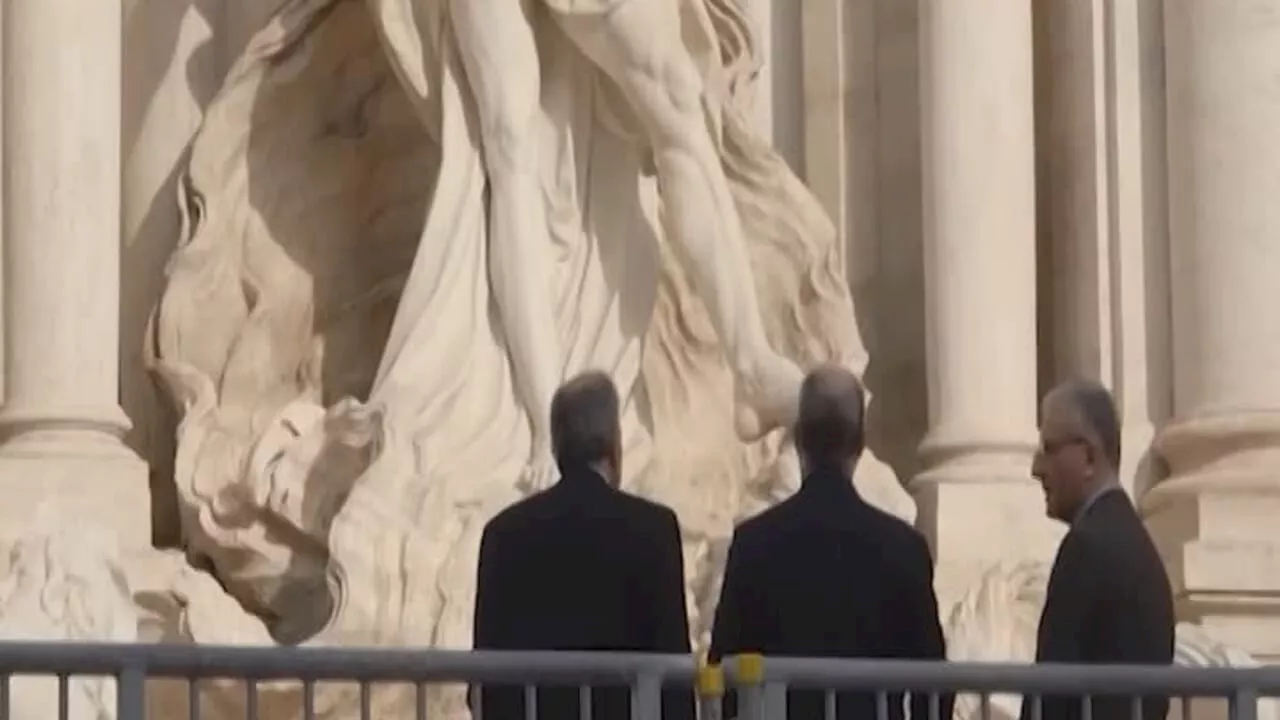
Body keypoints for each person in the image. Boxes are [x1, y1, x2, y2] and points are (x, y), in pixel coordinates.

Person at [708, 366, 951, 720]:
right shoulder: (904, 549)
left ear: (800, 439)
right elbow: (932, 682)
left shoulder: (753, 543)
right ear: (860, 444)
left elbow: (723, 669)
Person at [470, 371, 694, 720]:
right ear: (614, 446)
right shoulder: (653, 530)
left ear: (557, 447)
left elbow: (483, 680)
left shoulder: (503, 534)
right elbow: (674, 677)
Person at [1023, 379, 1175, 720]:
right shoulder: (1129, 539)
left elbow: (1052, 692)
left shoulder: (1089, 547)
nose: (1036, 469)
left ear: (1089, 456)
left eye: (1048, 448)